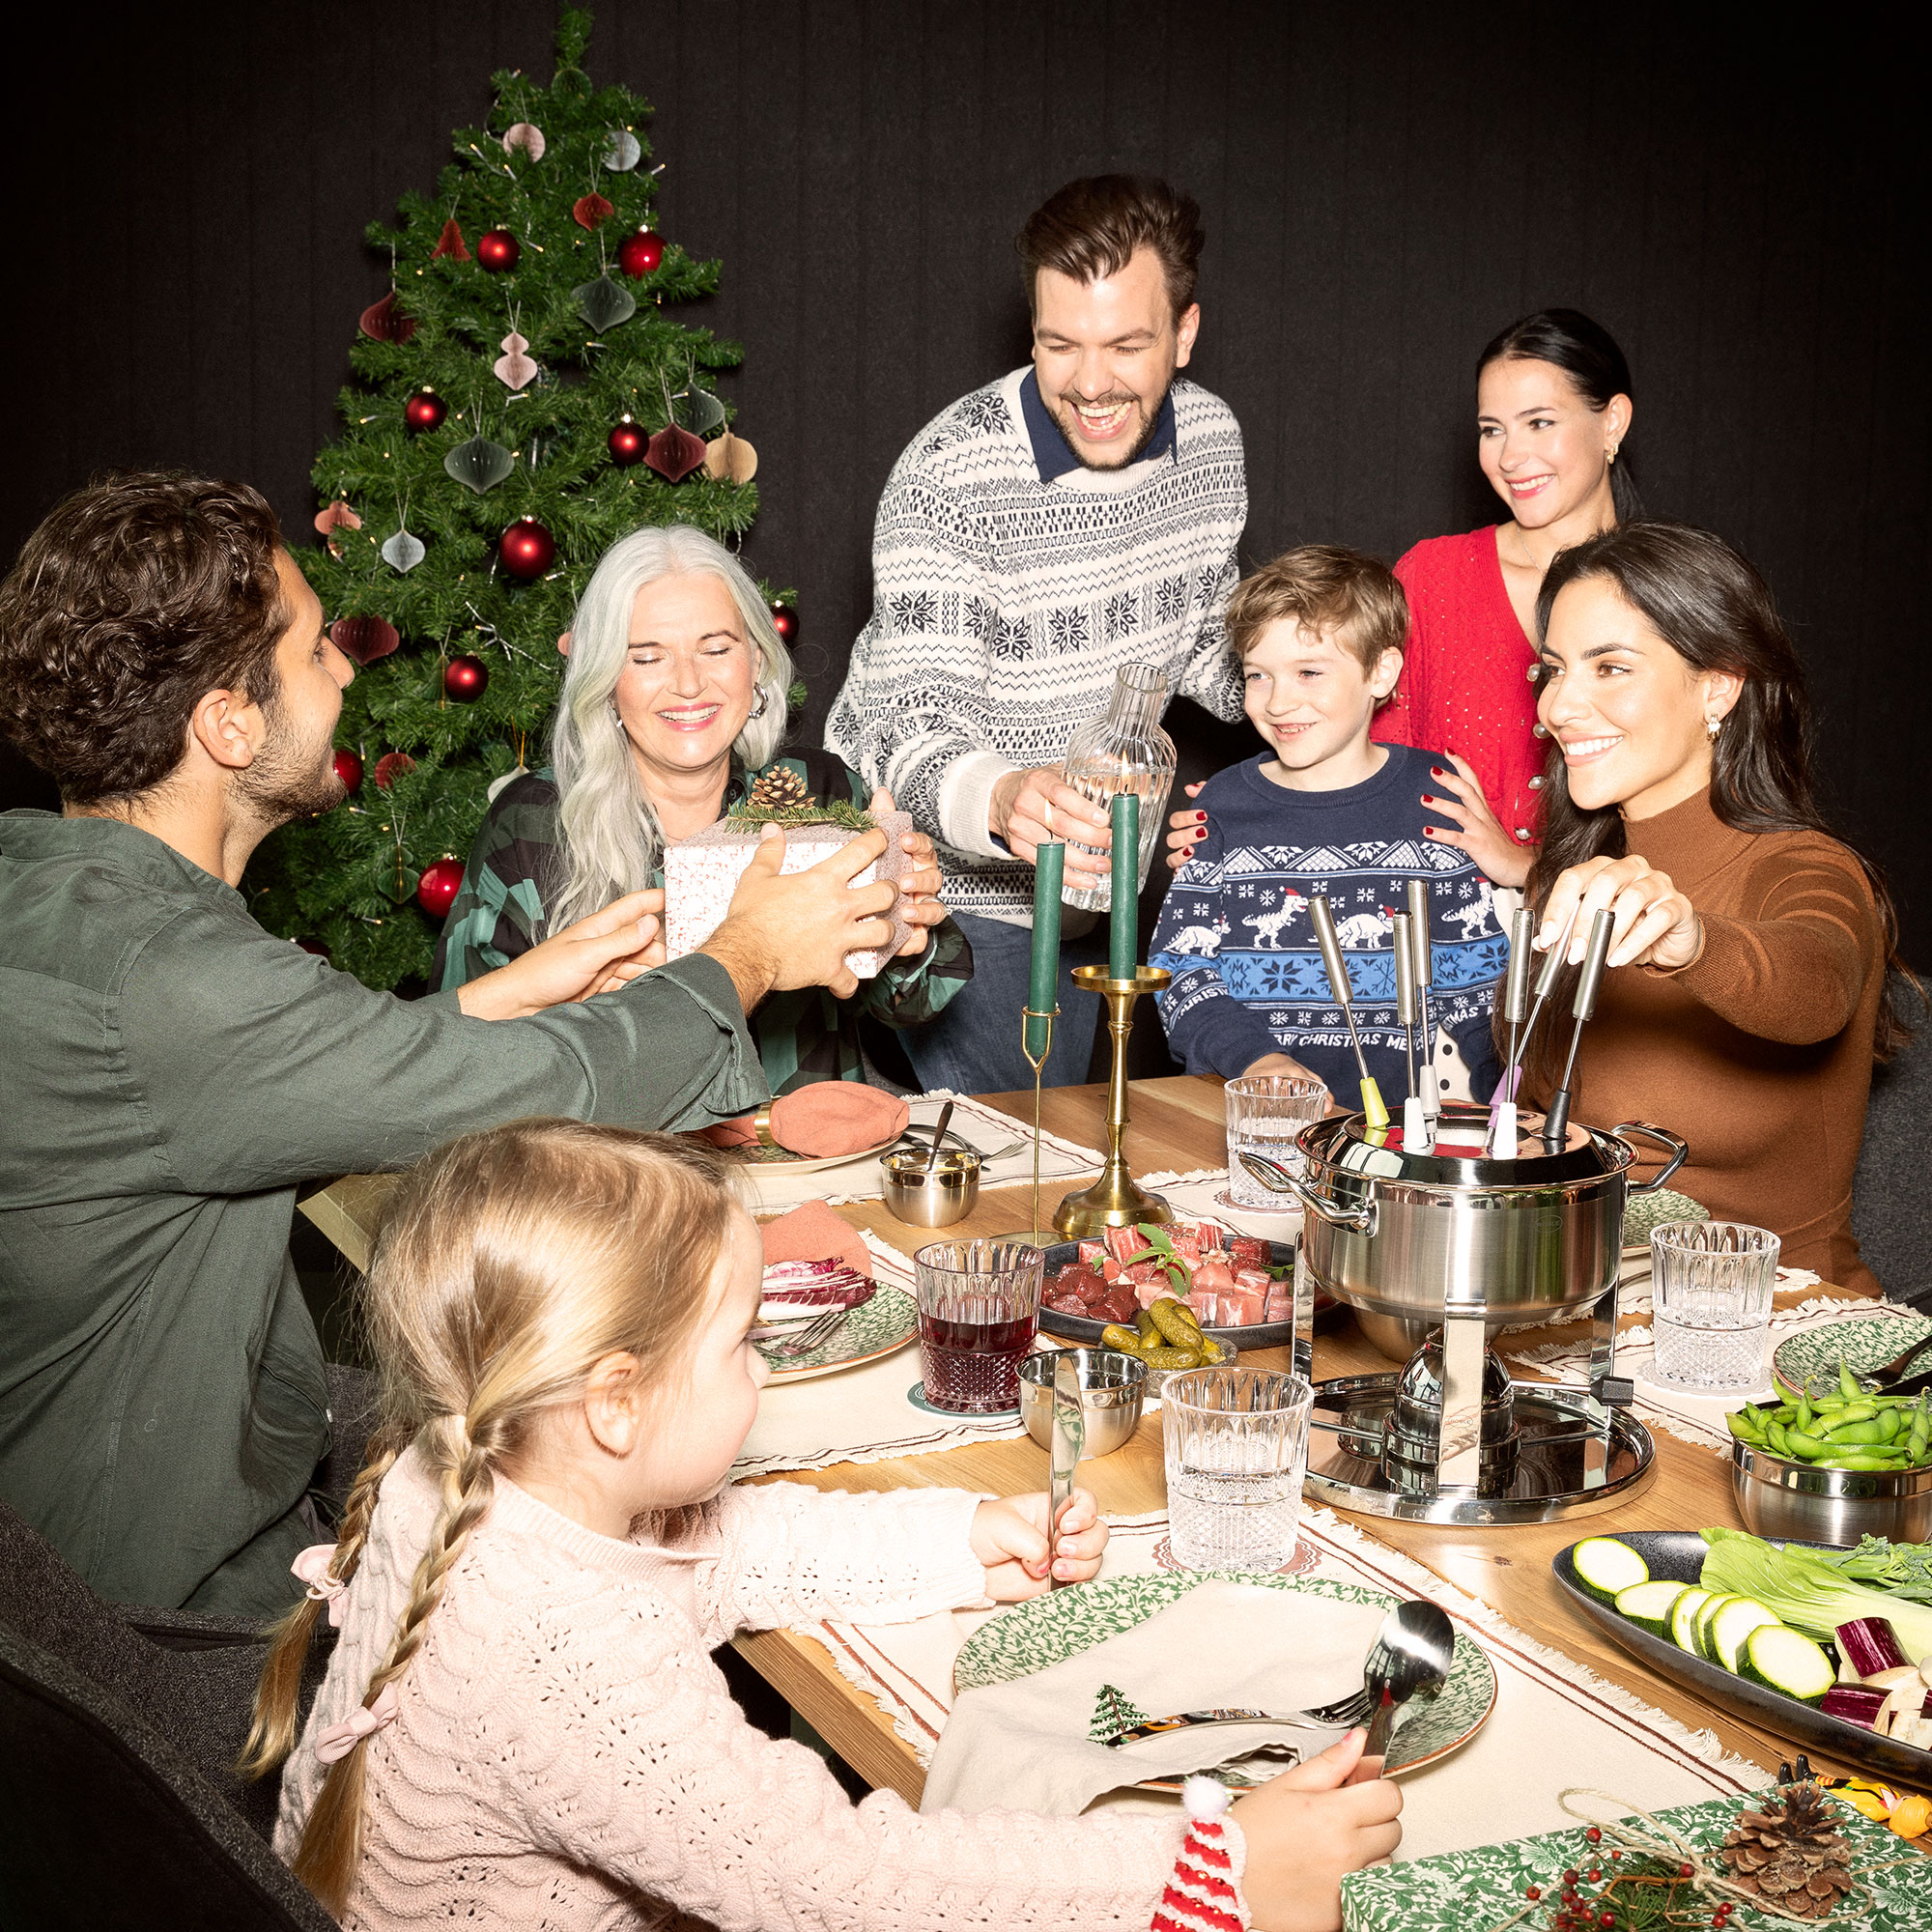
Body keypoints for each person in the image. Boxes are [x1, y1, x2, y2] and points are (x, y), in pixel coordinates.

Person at [0, 473, 924, 1616]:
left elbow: (313, 1066)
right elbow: (530, 1092)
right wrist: (741, 956)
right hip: (151, 1610)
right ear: (228, 723)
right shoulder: (177, 979)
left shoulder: (55, 891)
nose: (346, 669)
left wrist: (514, 986)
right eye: (314, 651)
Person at [252, 1120, 1403, 1929]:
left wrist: (954, 1541)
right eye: (744, 1340)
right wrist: (1214, 1868)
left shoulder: (467, 1468)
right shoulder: (555, 1646)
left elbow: (718, 1545)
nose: (761, 1364)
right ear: (613, 1400)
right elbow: (831, 1881)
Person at [829, 174, 1248, 1092]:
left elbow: (1211, 635)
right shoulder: (950, 471)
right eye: (1061, 345)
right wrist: (1005, 793)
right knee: (1020, 1152)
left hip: (1100, 889)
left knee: (1068, 1155)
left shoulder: (1213, 442)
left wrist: (1320, 667)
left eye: (1126, 345)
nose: (1091, 384)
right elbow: (905, 724)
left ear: (1184, 334)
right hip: (950, 894)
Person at [435, 525, 970, 1094]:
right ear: (605, 680)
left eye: (716, 649)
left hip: (808, 1160)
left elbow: (922, 999)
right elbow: (460, 1049)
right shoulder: (533, 821)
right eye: (647, 658)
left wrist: (906, 931)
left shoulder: (821, 790)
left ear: (756, 660)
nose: (689, 684)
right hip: (619, 1164)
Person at [1519, 521, 1913, 1293]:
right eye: (1554, 669)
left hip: (1780, 1334)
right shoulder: (1566, 879)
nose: (1561, 704)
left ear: (1718, 686)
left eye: (1611, 668)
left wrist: (1692, 938)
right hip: (1596, 1305)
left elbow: (1816, 986)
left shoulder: (1810, 869)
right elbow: (1549, 1107)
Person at [1163, 308, 1636, 892]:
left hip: (1616, 947)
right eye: (1492, 430)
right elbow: (1356, 762)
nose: (1510, 457)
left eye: (1539, 423)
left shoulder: (1671, 591)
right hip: (1421, 939)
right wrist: (1250, 814)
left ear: (1612, 420)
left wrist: (1529, 868)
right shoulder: (1434, 578)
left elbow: (1696, 822)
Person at [1151, 546, 1503, 1106]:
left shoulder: (1434, 797)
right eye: (1257, 676)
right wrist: (1257, 1058)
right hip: (1254, 1119)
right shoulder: (1222, 804)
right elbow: (1181, 971)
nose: (1279, 701)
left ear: (1381, 671)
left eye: (1309, 672)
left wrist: (1509, 1099)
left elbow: (1476, 980)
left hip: (1395, 1132)